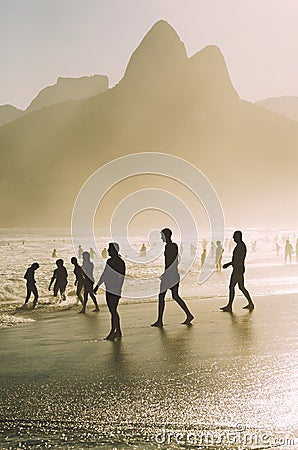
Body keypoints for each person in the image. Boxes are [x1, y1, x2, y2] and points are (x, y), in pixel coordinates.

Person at [151, 228, 194, 327]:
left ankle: (160, 320)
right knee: (175, 296)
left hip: (170, 275)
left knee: (162, 296)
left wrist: (166, 273)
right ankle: (188, 315)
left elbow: (170, 262)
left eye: (162, 236)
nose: (161, 238)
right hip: (173, 274)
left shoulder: (169, 247)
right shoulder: (172, 246)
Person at [94, 243, 126, 340]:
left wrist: (98, 286)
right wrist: (98, 286)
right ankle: (118, 331)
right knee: (113, 310)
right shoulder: (116, 261)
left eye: (109, 249)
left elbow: (120, 278)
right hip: (111, 288)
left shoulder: (116, 262)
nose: (108, 251)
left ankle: (113, 331)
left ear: (114, 250)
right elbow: (105, 274)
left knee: (113, 310)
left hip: (113, 289)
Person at [220, 230, 254, 312]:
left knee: (232, 286)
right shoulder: (241, 245)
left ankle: (229, 306)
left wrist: (228, 264)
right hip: (239, 269)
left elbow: (237, 260)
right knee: (241, 287)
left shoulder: (240, 246)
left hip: (238, 269)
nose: (233, 238)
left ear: (238, 237)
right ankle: (250, 303)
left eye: (234, 236)